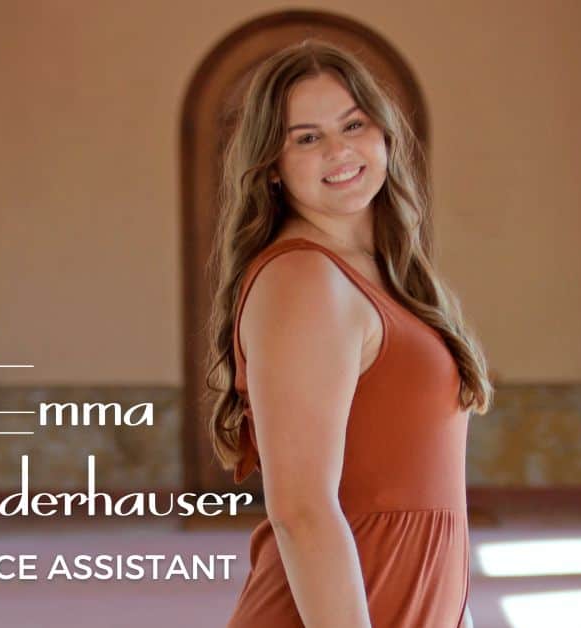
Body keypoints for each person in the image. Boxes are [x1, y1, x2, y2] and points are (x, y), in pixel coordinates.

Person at [205, 39, 491, 628]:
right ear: (273, 166)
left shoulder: (384, 273)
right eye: (307, 138)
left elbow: (428, 495)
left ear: (384, 132)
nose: (339, 150)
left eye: (353, 124)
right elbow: (302, 510)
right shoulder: (303, 278)